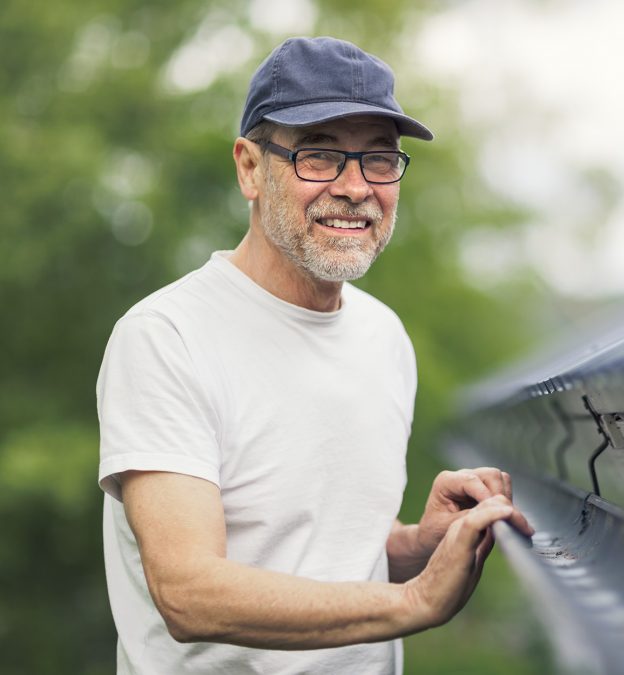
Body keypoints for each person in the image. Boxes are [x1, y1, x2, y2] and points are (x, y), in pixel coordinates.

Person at [96, 36, 532, 674]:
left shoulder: (384, 336)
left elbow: (315, 548)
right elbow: (187, 594)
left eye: (380, 161)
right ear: (249, 167)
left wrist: (418, 545)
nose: (357, 188)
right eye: (320, 157)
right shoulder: (166, 337)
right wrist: (412, 601)